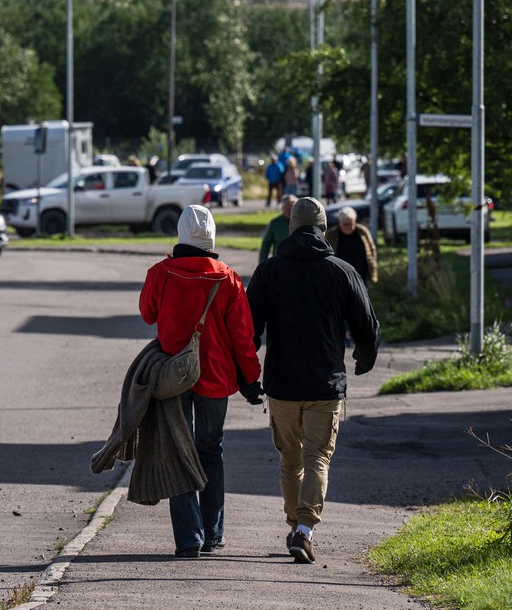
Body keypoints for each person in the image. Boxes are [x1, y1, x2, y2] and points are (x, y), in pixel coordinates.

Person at [246, 197, 379, 565]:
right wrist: (364, 358)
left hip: (282, 384)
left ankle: (295, 526)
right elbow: (367, 325)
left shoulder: (269, 272)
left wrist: (246, 377)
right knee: (318, 457)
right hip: (325, 383)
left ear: (290, 228)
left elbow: (248, 332)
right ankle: (304, 531)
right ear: (323, 228)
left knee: (290, 458)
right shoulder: (342, 271)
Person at [139, 205, 263, 559]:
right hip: (216, 377)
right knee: (211, 451)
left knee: (179, 454)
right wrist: (251, 379)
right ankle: (213, 533)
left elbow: (148, 313)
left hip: (172, 378)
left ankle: (188, 538)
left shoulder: (160, 273)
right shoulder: (227, 277)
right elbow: (243, 336)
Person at [324, 206, 378, 284]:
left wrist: (372, 269)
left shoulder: (362, 232)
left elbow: (372, 249)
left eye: (351, 224)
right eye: (345, 224)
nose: (349, 227)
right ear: (340, 222)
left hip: (360, 275)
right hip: (339, 276)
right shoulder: (331, 235)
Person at [258, 195, 295, 264]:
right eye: (287, 206)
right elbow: (266, 244)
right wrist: (262, 263)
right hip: (279, 263)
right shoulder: (274, 223)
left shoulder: (302, 223)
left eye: (292, 206)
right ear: (282, 208)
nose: (289, 209)